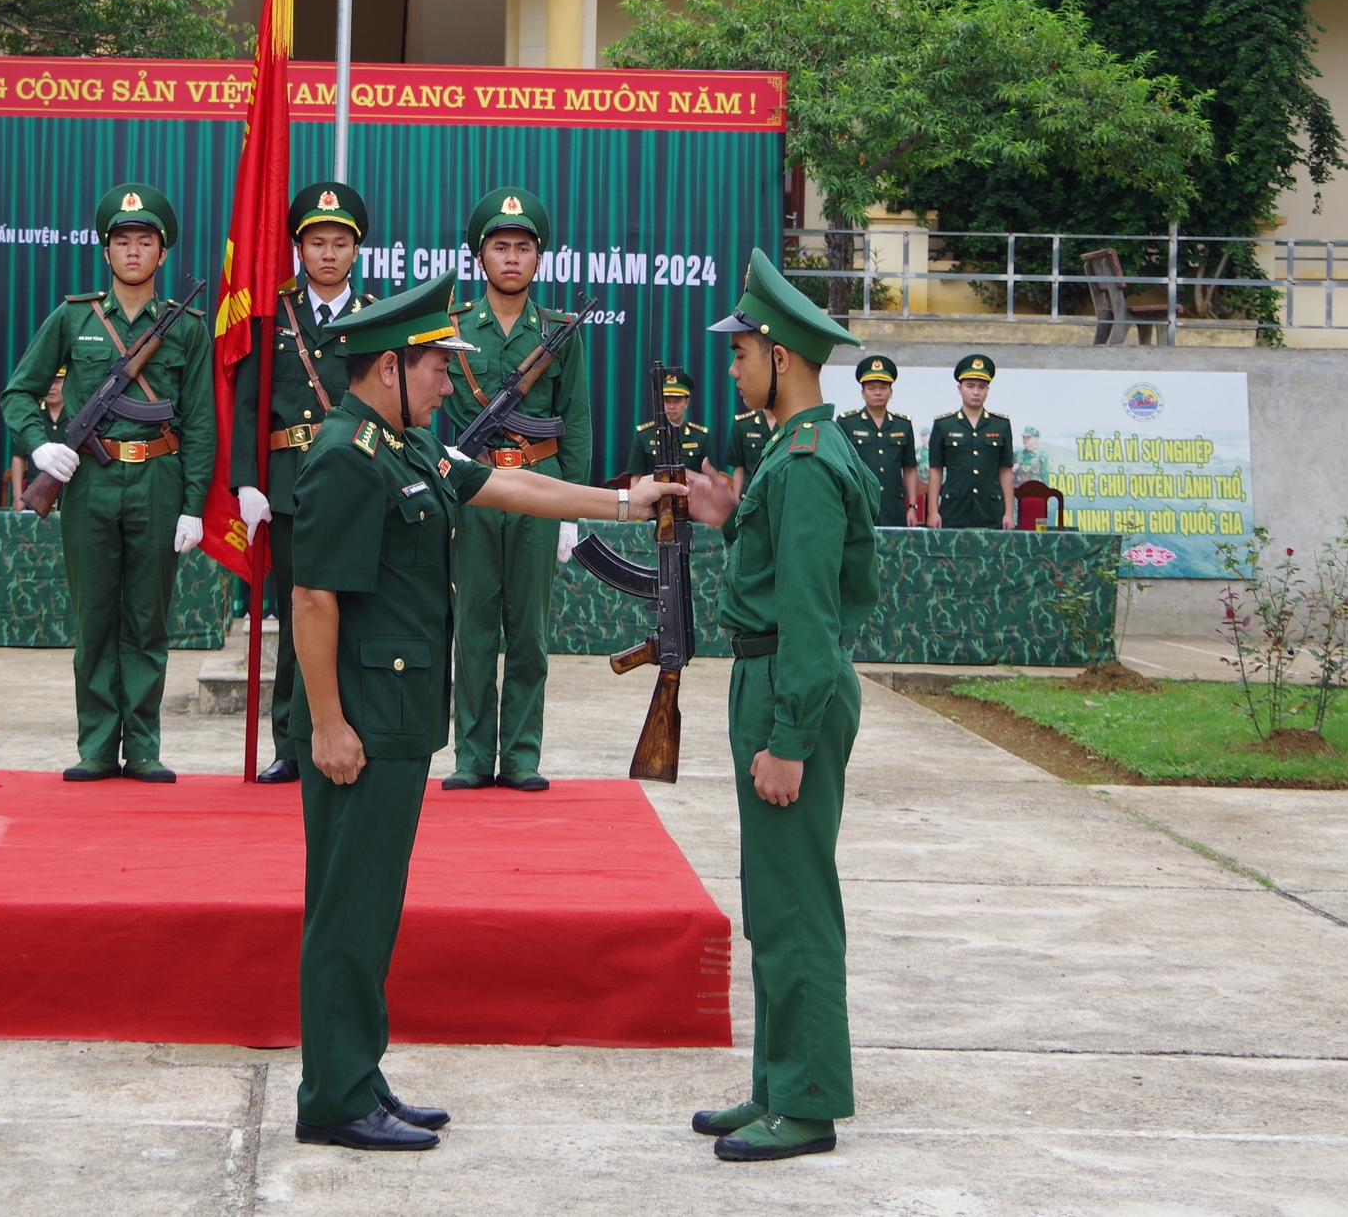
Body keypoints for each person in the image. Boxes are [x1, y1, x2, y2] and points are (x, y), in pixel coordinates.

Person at [289, 270, 685, 1152]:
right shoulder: (348, 457)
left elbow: (514, 488)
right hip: (360, 721)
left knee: (371, 907)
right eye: (435, 367)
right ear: (389, 367)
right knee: (348, 910)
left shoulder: (406, 445)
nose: (446, 382)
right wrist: (324, 722)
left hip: (393, 716)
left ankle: (356, 1072)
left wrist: (623, 501)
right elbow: (312, 598)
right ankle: (332, 1097)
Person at [682, 247, 878, 1163]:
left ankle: (804, 1102)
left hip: (787, 689)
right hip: (771, 679)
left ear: (782, 359)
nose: (732, 366)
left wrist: (789, 736)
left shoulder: (802, 462)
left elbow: (807, 614)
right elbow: (780, 576)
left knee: (794, 901)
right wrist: (731, 520)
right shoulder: (795, 453)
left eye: (741, 352)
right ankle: (774, 1081)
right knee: (773, 895)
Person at [2, 182, 213, 785]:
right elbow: (19, 391)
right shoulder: (73, 318)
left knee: (147, 618)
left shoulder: (187, 327)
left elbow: (199, 420)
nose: (132, 251)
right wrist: (40, 443)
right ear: (105, 251)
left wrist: (193, 505)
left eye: (144, 241)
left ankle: (142, 746)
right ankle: (97, 744)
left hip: (158, 479)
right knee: (95, 615)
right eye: (122, 241)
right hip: (90, 480)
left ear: (162, 253)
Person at [440, 187, 591, 793]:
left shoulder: (558, 332)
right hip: (473, 490)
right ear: (480, 257)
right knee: (473, 626)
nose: (511, 258)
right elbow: (422, 409)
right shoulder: (451, 328)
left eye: (522, 248)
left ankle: (522, 754)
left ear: (538, 259)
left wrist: (573, 509)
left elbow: (574, 420)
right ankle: (472, 757)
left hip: (538, 487)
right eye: (500, 247)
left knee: (529, 629)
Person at [232, 182, 374, 785]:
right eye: (317, 242)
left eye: (340, 243)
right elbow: (246, 407)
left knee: (361, 616)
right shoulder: (274, 316)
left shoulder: (376, 317)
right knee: (296, 619)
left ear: (355, 251)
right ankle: (292, 742)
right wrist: (245, 482)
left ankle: (357, 732)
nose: (328, 254)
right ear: (298, 249)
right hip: (290, 489)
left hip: (363, 488)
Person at [927, 354, 1015, 531]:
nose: (976, 392)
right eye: (970, 386)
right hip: (954, 508)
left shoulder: (1001, 425)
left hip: (990, 509)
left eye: (982, 387)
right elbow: (936, 470)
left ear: (987, 390)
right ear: (960, 388)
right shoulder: (944, 425)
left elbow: (1005, 471)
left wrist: (1009, 513)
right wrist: (932, 510)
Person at [838, 355, 919, 529]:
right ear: (862, 393)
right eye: (871, 388)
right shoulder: (847, 422)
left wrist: (912, 507)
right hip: (859, 503)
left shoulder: (903, 424)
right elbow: (841, 467)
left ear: (891, 392)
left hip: (893, 505)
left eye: (883, 387)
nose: (877, 392)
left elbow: (910, 468)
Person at [625, 367, 714, 477]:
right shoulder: (643, 435)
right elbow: (636, 477)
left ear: (687, 403)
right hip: (654, 493)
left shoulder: (701, 437)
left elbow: (711, 479)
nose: (671, 407)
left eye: (677, 401)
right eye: (666, 401)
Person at [8, 368, 67, 511]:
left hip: (69, 495)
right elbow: (19, 458)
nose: (52, 387)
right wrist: (18, 497)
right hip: (35, 495)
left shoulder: (78, 415)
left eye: (57, 382)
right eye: (48, 382)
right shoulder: (32, 416)